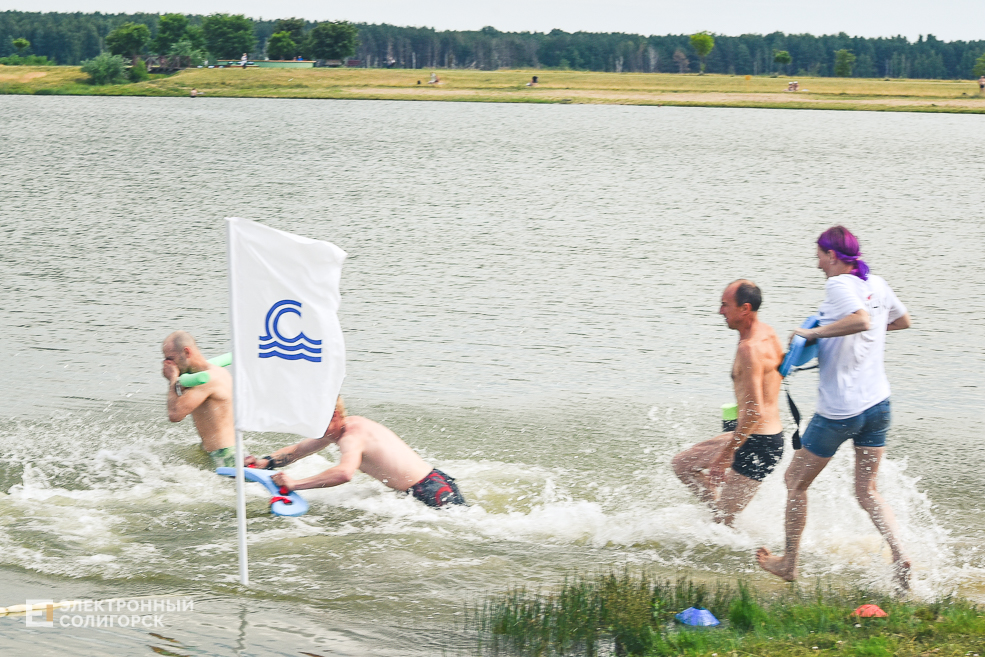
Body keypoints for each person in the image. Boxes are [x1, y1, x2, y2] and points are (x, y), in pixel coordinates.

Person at [757, 226, 912, 589]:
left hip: (840, 411)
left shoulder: (838, 285)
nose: (817, 265)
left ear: (833, 256)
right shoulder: (877, 283)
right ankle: (901, 554)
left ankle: (789, 564)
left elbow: (860, 319)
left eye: (819, 257)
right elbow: (901, 321)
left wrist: (813, 333)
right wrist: (863, 336)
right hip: (878, 405)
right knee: (868, 490)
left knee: (794, 482)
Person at [672, 280, 785, 526]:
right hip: (751, 434)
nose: (720, 311)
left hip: (760, 444)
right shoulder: (768, 333)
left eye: (725, 305)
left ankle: (730, 526)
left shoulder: (749, 349)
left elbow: (754, 412)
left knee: (724, 523)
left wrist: (725, 455)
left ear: (745, 309)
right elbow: (782, 371)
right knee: (682, 464)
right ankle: (721, 513)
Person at [247, 398, 466, 508]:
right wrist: (263, 463)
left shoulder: (351, 436)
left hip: (431, 491)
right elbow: (296, 451)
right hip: (427, 486)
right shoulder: (334, 430)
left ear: (334, 415)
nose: (310, 426)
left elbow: (344, 473)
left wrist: (295, 484)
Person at [161, 331, 236, 467]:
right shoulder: (211, 373)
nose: (167, 364)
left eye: (170, 359)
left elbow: (175, 414)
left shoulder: (208, 380)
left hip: (225, 456)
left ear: (187, 352)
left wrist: (172, 379)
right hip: (217, 452)